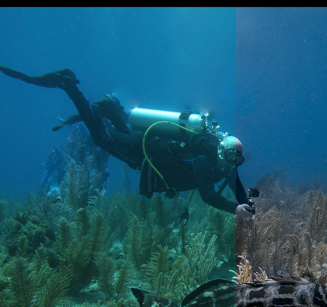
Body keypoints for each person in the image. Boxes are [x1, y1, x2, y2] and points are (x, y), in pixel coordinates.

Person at [0, 64, 254, 218]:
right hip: (145, 157)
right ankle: (70, 87)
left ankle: (111, 109)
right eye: (234, 156)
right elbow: (208, 196)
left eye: (238, 159)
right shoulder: (203, 159)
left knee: (119, 135)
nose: (235, 163)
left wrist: (246, 203)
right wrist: (235, 210)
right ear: (222, 149)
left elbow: (237, 187)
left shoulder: (224, 163)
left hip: (148, 148)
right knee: (101, 139)